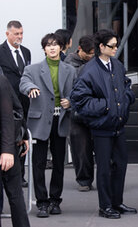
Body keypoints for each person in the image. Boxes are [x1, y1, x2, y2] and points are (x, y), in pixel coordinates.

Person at [70, 29, 136, 219]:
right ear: (101, 47)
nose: (116, 48)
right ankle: (105, 206)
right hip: (102, 127)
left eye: (116, 45)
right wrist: (106, 106)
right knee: (105, 168)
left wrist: (126, 98)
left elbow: (126, 85)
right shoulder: (88, 70)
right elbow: (79, 100)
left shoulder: (117, 65)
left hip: (119, 124)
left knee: (121, 164)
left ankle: (117, 202)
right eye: (112, 46)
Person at [19, 33, 76, 218]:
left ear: (61, 47)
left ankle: (55, 200)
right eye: (48, 45)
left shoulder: (70, 69)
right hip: (39, 122)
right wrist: (31, 88)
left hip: (60, 120)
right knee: (38, 164)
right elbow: (23, 82)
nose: (52, 48)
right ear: (44, 49)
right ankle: (42, 203)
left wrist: (70, 101)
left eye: (55, 45)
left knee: (59, 163)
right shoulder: (32, 69)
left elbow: (77, 91)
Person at [0, 20, 31, 188]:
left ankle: (20, 176)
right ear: (7, 34)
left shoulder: (26, 52)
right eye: (16, 34)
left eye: (21, 33)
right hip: (6, 101)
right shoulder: (0, 51)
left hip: (23, 102)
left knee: (21, 136)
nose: (20, 37)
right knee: (8, 137)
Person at [64, 35, 95, 192]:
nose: (92, 57)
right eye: (89, 53)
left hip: (93, 110)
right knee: (80, 148)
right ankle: (84, 180)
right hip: (76, 113)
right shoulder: (70, 64)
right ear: (80, 49)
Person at [0, 73, 30, 227]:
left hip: (5, 147)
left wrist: (7, 150)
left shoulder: (1, 80)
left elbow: (8, 116)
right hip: (8, 145)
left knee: (15, 196)